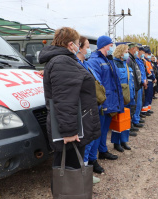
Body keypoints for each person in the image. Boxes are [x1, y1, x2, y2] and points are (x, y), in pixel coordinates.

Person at [39, 27, 101, 191]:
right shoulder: (62, 62)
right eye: (78, 43)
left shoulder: (61, 61)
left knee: (66, 169)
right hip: (71, 130)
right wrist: (68, 132)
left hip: (73, 126)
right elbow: (65, 100)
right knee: (68, 171)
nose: (80, 47)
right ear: (70, 44)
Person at [87, 35, 124, 163]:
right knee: (98, 132)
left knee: (104, 130)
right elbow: (98, 83)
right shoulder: (94, 60)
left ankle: (102, 151)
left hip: (111, 101)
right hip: (103, 102)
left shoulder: (108, 59)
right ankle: (93, 158)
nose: (111, 47)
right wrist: (103, 101)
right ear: (104, 45)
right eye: (110, 45)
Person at [76, 36, 102, 182]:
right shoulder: (75, 64)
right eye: (86, 47)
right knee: (84, 141)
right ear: (79, 47)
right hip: (83, 108)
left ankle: (85, 171)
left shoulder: (85, 63)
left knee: (90, 139)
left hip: (90, 106)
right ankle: (83, 175)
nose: (89, 50)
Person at [111, 44, 134, 152]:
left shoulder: (125, 63)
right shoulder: (115, 63)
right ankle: (116, 142)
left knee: (125, 119)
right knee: (118, 120)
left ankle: (124, 140)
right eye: (126, 51)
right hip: (119, 96)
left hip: (127, 95)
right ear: (121, 52)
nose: (127, 53)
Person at [127, 42, 145, 133]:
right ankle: (129, 126)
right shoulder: (129, 60)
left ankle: (131, 124)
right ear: (133, 49)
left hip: (135, 87)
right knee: (131, 107)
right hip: (132, 88)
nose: (138, 52)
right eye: (137, 50)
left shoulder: (133, 59)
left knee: (134, 106)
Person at [142, 47, 156, 115]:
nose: (150, 55)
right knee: (147, 96)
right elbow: (148, 72)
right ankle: (144, 110)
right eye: (149, 54)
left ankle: (148, 108)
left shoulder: (148, 61)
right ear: (145, 53)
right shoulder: (145, 61)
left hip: (151, 80)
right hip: (148, 80)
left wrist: (154, 78)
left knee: (150, 95)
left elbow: (152, 71)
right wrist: (153, 78)